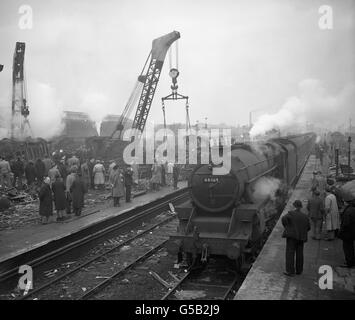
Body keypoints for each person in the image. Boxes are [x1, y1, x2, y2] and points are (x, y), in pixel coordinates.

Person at [281, 200, 311, 276]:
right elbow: (308, 227)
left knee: (290, 253)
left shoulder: (290, 214)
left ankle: (290, 271)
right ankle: (299, 270)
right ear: (300, 207)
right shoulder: (305, 216)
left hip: (292, 237)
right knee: (300, 254)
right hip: (301, 237)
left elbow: (283, 219)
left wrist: (288, 227)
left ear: (294, 206)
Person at [338, 199, 355, 268]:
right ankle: (352, 261)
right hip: (352, 232)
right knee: (351, 247)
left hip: (347, 233)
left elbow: (345, 224)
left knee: (347, 248)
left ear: (346, 203)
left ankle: (349, 262)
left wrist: (341, 232)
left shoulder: (348, 211)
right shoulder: (353, 209)